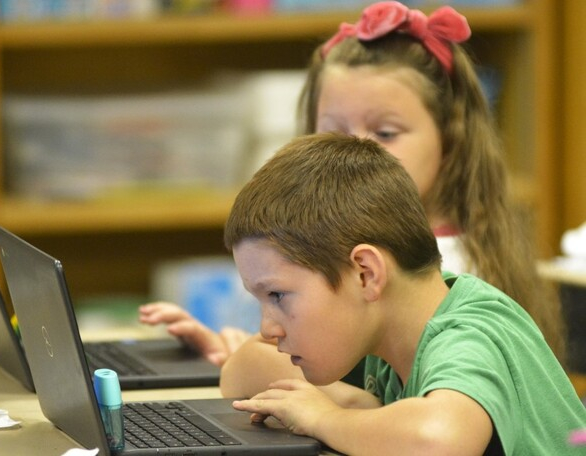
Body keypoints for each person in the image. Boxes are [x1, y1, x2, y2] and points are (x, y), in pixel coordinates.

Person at [139, 1, 566, 369]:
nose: (358, 151)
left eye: (385, 133)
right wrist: (233, 353)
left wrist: (253, 362)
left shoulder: (443, 271)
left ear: (450, 140)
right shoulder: (331, 248)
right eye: (335, 133)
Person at [223, 132, 586, 456]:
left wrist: (326, 418)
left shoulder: (469, 335)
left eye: (278, 296)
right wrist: (351, 401)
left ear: (366, 273)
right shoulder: (383, 323)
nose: (269, 327)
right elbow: (240, 372)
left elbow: (440, 441)